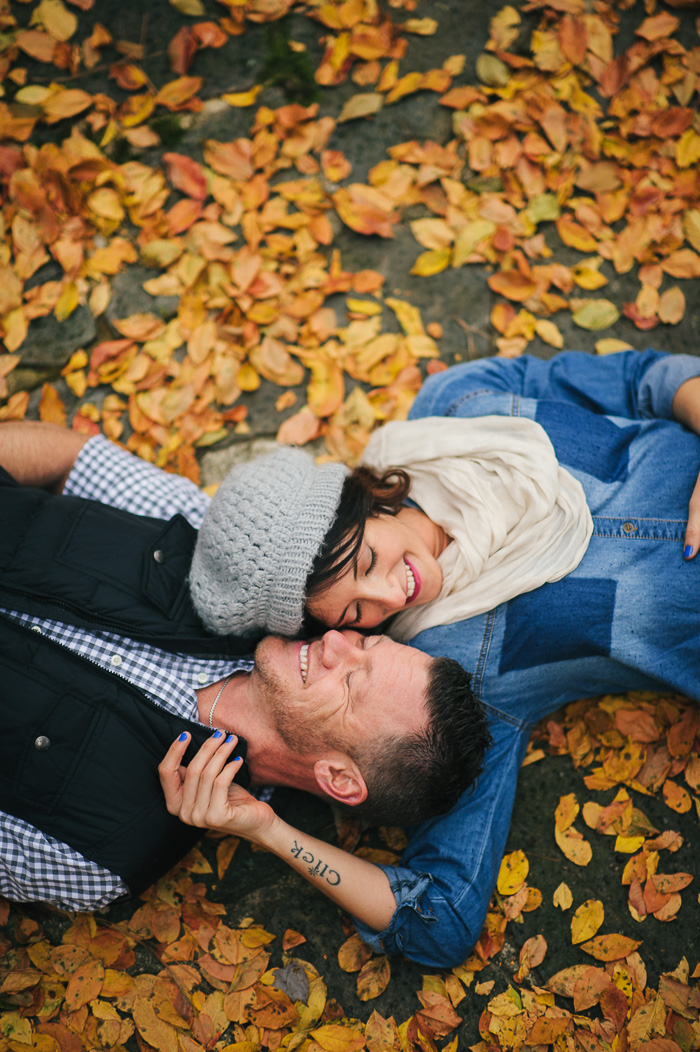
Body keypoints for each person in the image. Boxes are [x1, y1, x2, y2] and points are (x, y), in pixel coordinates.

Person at [169, 347, 700, 969]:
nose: (392, 595)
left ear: (369, 498)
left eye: (366, 563)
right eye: (356, 614)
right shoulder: (443, 671)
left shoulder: (461, 403)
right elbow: (439, 916)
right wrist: (269, 830)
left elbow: (647, 380)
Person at [0, 421, 486, 920]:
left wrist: (268, 830)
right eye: (365, 639)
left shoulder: (99, 854)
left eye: (350, 681)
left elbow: (436, 919)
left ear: (338, 778)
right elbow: (75, 456)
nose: (335, 641)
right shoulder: (238, 564)